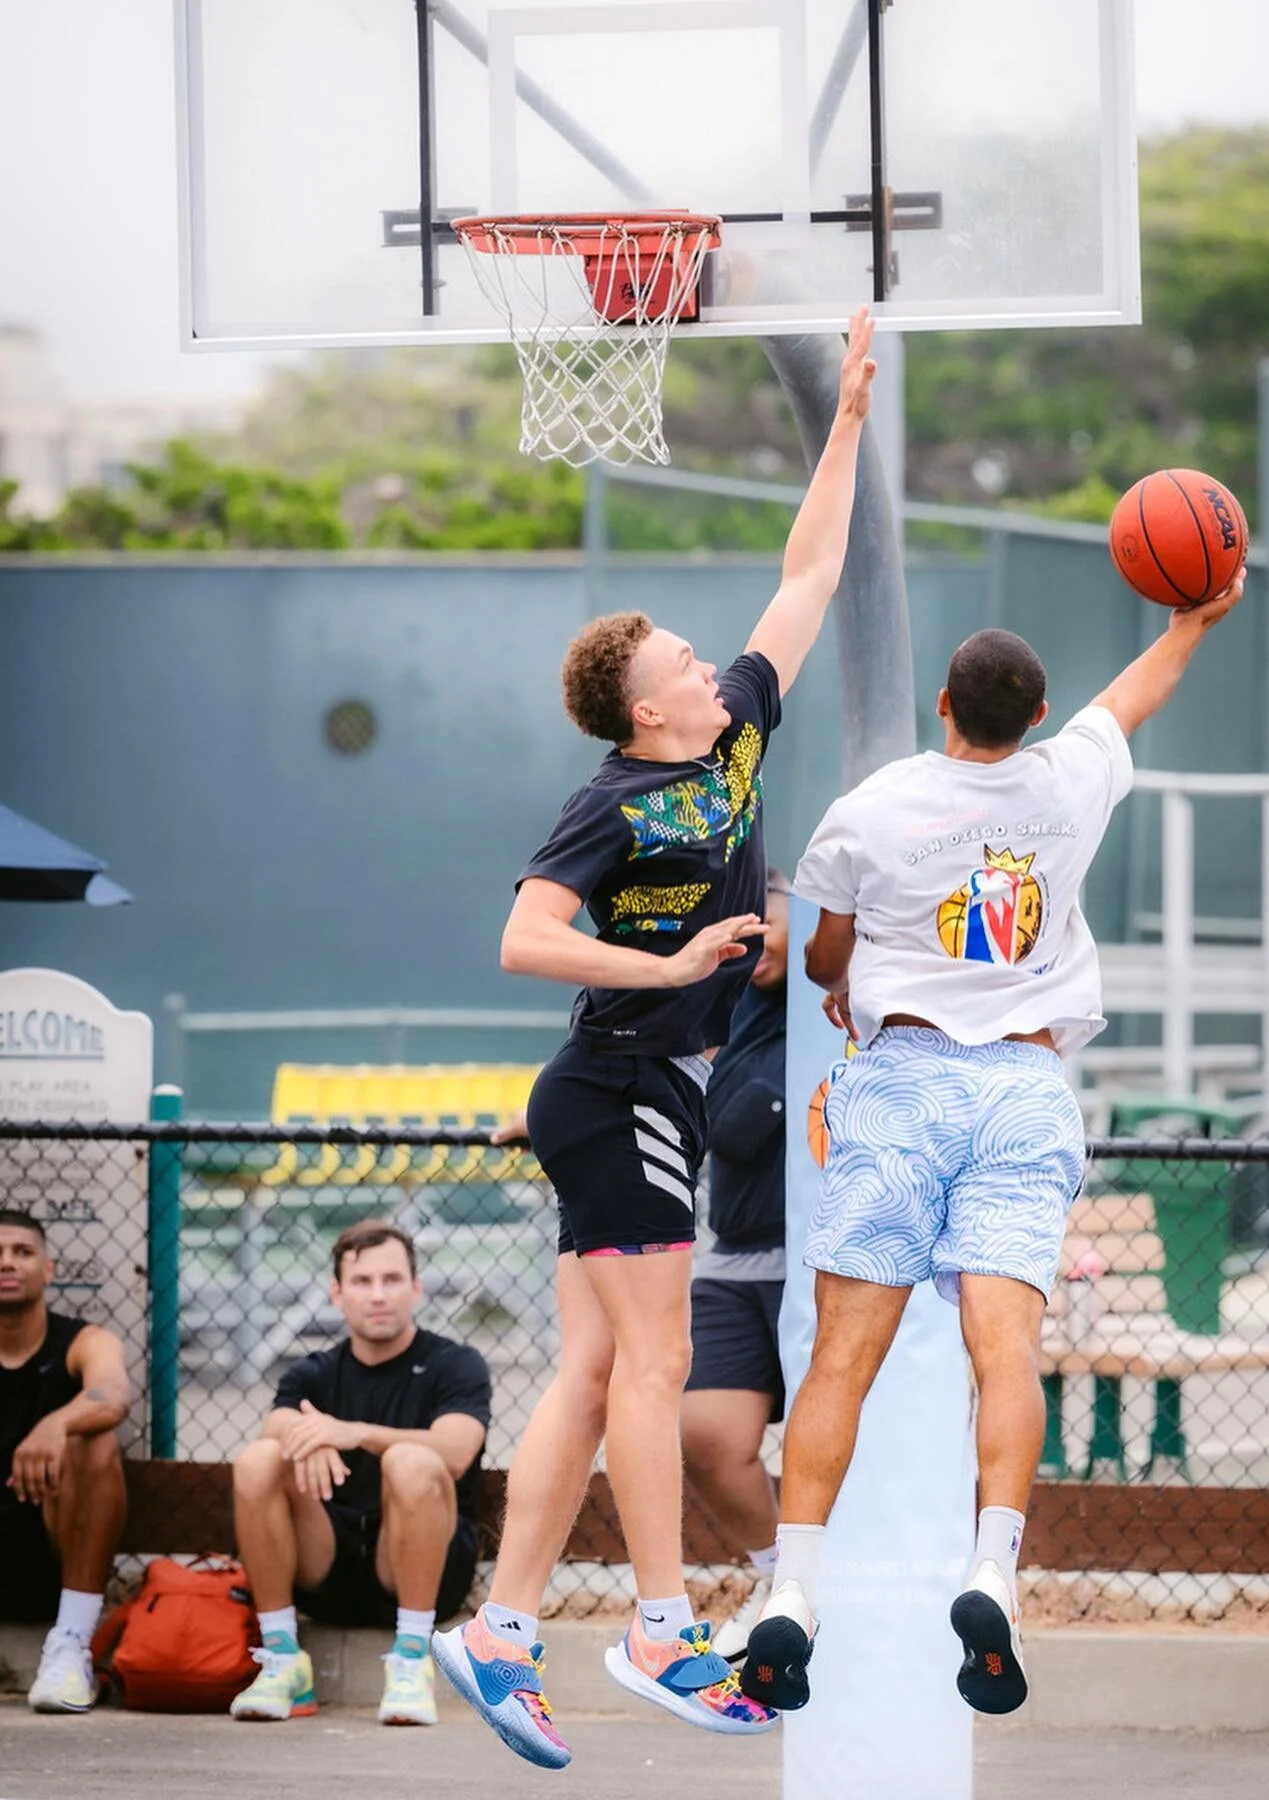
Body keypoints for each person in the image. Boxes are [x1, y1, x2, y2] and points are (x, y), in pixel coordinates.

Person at [433, 309, 876, 1771]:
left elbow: (808, 572)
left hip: (640, 1092)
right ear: (646, 701)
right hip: (617, 1081)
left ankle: (500, 1627)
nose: (710, 655)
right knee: (658, 1361)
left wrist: (850, 423)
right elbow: (523, 938)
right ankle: (660, 1620)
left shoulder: (736, 732)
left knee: (587, 1372)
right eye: (687, 654)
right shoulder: (615, 797)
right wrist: (674, 955)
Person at [739, 577, 1246, 1719]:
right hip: (1023, 1084)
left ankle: (797, 1589)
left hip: (904, 1079)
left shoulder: (871, 808)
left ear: (941, 706)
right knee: (1005, 1355)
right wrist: (1194, 621)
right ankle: (993, 1571)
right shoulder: (1070, 781)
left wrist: (855, 974)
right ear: (1038, 713)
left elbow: (822, 962)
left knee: (838, 1362)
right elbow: (1136, 695)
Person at [229, 1220, 491, 1727]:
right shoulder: (313, 1372)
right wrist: (303, 1438)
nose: (378, 1295)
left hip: (421, 1571)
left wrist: (353, 1433)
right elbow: (277, 1421)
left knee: (409, 1460)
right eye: (362, 1282)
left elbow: (456, 1450)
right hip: (329, 1564)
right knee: (261, 1457)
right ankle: (283, 1660)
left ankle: (413, 1662)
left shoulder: (455, 1364)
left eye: (392, 1280)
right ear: (337, 1293)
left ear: (415, 1288)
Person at [681, 870, 790, 1666]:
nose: (748, 944)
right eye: (736, 931)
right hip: (733, 1257)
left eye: (766, 923)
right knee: (708, 1436)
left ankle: (852, 1592)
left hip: (832, 1264)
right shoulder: (720, 1003)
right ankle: (783, 1581)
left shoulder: (847, 998)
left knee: (853, 1448)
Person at [0, 1208, 132, 1714]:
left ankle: (72, 1645)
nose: (9, 1263)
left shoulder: (83, 1341)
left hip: (51, 1543)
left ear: (48, 1270)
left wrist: (57, 1424)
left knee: (93, 1439)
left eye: (23, 1252)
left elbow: (114, 1394)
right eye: (0, 1254)